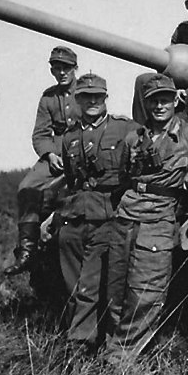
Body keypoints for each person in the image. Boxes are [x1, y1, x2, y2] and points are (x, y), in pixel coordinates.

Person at [105, 74, 188, 361]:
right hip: (127, 215)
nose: (159, 106)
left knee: (147, 290)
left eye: (165, 100)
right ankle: (114, 346)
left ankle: (120, 358)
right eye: (153, 101)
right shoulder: (134, 138)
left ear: (174, 102)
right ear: (146, 104)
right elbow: (123, 177)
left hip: (158, 217)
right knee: (117, 286)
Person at [57, 73, 140, 350]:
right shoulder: (69, 136)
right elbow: (71, 180)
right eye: (85, 96)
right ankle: (83, 332)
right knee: (72, 285)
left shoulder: (125, 128)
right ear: (77, 99)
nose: (92, 101)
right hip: (74, 217)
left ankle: (80, 344)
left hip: (106, 215)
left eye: (97, 96)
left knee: (89, 284)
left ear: (106, 98)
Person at [5, 46, 81, 276]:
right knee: (27, 187)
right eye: (57, 68)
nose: (62, 73)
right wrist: (50, 154)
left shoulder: (85, 90)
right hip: (56, 152)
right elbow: (40, 134)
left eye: (66, 68)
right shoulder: (48, 98)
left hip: (82, 149)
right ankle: (27, 250)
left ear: (75, 68)